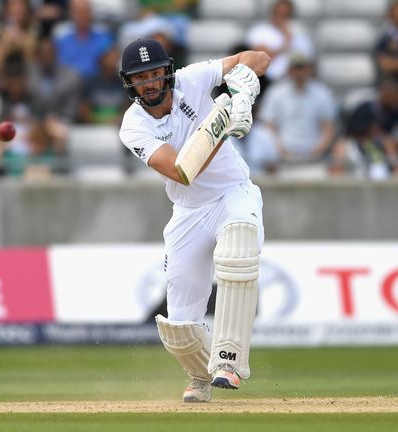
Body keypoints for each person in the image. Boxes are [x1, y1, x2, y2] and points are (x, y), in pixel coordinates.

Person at [117, 38, 269, 403]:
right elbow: (182, 170)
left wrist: (244, 86)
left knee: (238, 246)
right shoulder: (133, 126)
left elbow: (259, 58)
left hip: (234, 192)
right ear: (130, 83)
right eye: (141, 78)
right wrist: (225, 118)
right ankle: (200, 377)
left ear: (167, 73)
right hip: (188, 211)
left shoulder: (194, 79)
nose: (150, 83)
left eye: (155, 74)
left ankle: (229, 361)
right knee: (180, 326)